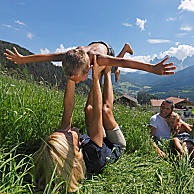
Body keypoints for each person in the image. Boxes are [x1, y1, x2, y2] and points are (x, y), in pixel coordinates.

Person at [33, 56, 125, 192]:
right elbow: (98, 111)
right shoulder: (93, 156)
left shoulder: (67, 149)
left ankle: (100, 71)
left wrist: (71, 75)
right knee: (106, 110)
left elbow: (68, 107)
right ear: (75, 149)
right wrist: (96, 79)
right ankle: (107, 72)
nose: (67, 129)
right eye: (67, 134)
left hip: (95, 141)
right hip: (113, 145)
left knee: (88, 109)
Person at [4, 41, 175, 84]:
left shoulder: (99, 59)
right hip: (90, 46)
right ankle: (116, 67)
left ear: (88, 69)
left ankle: (125, 47)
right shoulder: (68, 56)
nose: (75, 81)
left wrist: (152, 68)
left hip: (106, 49)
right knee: (110, 70)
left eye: (77, 79)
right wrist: (23, 59)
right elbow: (46, 56)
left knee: (111, 68)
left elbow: (125, 63)